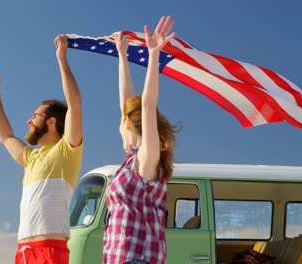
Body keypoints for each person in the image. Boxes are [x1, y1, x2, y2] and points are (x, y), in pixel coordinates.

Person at [0, 34, 83, 264]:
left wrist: (61, 59)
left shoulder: (67, 149)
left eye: (35, 115)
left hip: (50, 250)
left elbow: (75, 104)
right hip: (24, 250)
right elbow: (6, 137)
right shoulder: (30, 157)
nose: (29, 120)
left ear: (52, 122)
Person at [103, 16, 182, 264]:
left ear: (126, 123)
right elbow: (127, 102)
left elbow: (147, 107)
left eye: (121, 118)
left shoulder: (146, 160)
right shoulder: (130, 162)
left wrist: (153, 55)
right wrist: (122, 56)